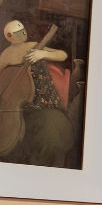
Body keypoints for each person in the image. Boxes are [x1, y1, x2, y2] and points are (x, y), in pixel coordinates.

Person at [0, 19, 74, 167]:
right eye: (18, 33)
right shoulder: (6, 55)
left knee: (51, 125)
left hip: (42, 98)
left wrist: (42, 53)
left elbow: (63, 55)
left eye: (23, 31)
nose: (23, 34)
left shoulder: (33, 46)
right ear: (9, 36)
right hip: (18, 103)